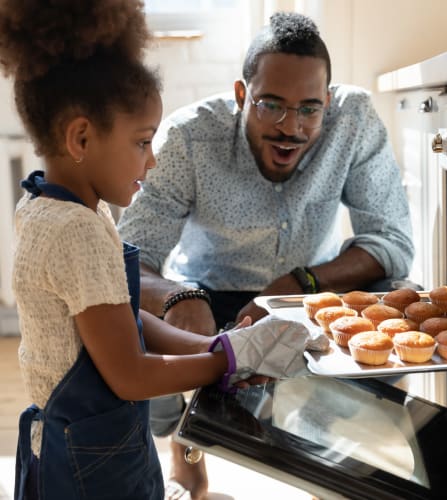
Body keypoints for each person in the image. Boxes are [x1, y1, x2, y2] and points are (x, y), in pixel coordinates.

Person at [0, 2, 314, 499]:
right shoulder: (76, 232)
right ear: (81, 137)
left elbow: (121, 321)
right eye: (143, 142)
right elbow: (128, 373)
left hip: (94, 441)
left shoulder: (56, 207)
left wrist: (214, 347)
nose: (153, 158)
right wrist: (230, 361)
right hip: (91, 466)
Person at [117, 10, 415, 500]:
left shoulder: (354, 120)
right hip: (206, 299)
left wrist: (297, 284)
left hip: (309, 294)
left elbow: (391, 242)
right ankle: (186, 448)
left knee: (400, 295)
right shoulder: (188, 139)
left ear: (330, 102)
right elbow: (130, 256)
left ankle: (331, 453)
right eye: (271, 105)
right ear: (241, 96)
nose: (290, 128)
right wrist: (178, 295)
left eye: (309, 109)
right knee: (122, 323)